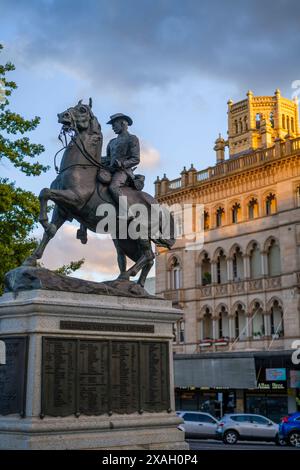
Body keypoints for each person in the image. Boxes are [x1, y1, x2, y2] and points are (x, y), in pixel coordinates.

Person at [106, 113, 140, 219]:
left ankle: (127, 212)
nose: (112, 127)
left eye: (114, 124)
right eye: (112, 125)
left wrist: (122, 164)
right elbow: (107, 159)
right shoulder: (111, 142)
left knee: (113, 187)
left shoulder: (132, 139)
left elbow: (136, 159)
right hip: (110, 170)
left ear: (123, 124)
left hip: (123, 171)